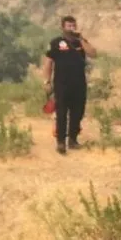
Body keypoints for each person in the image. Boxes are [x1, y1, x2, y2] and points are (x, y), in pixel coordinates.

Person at [42, 15, 97, 154]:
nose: (72, 28)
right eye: (69, 25)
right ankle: (61, 142)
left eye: (73, 25)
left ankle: (73, 139)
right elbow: (48, 62)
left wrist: (81, 40)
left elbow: (93, 53)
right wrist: (47, 81)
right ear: (63, 27)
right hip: (62, 84)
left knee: (78, 112)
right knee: (61, 113)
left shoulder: (80, 42)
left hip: (79, 83)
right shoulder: (56, 42)